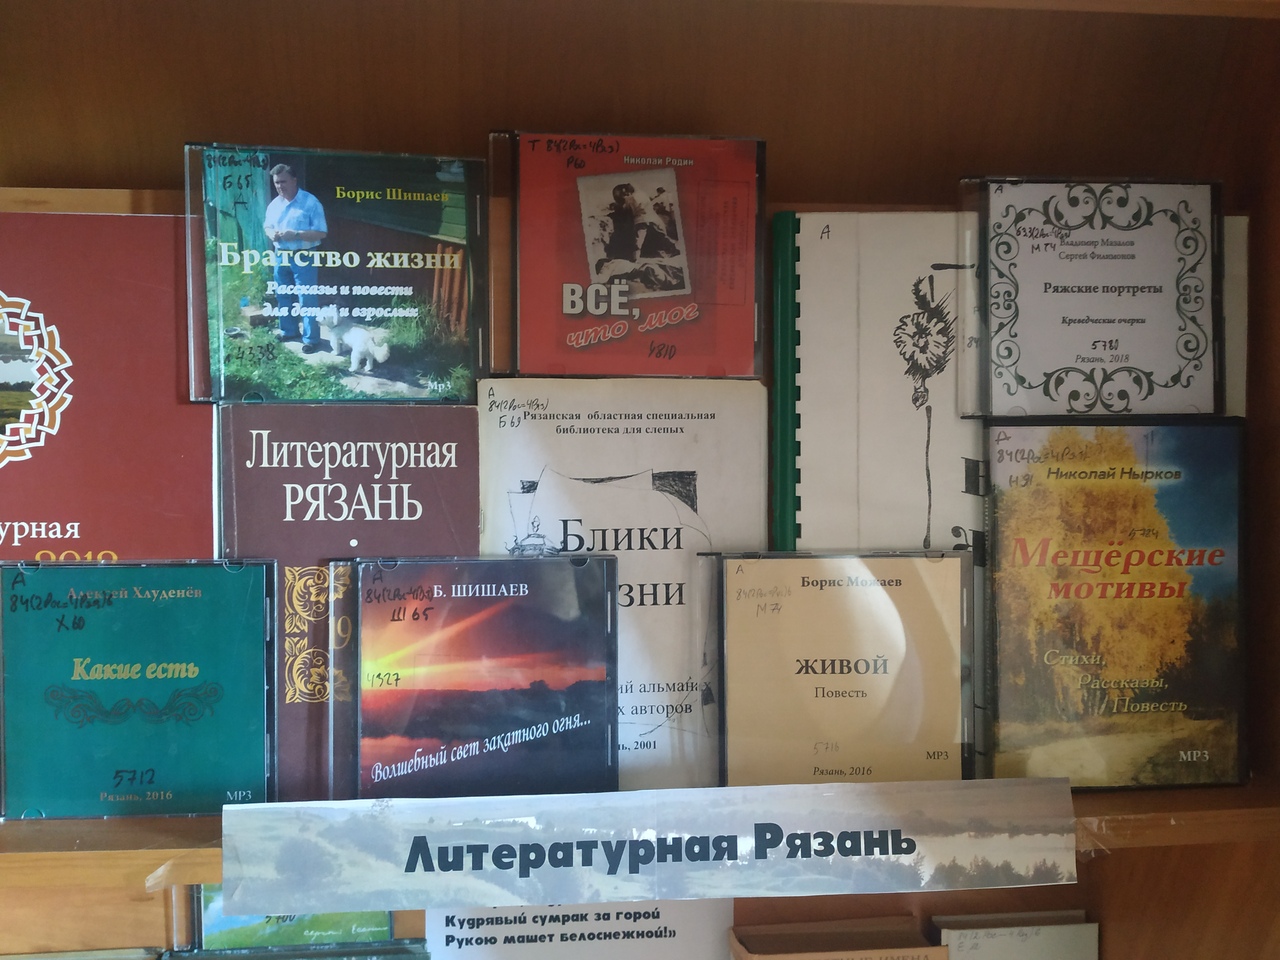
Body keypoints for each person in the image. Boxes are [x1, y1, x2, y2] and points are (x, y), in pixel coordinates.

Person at [263, 163, 328, 353]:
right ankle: (289, 331)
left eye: (283, 182)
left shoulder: (311, 203)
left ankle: (311, 339)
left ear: (294, 180)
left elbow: (321, 232)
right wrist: (271, 234)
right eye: (276, 183)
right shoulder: (274, 204)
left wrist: (297, 234)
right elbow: (267, 226)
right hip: (281, 255)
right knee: (283, 294)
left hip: (304, 255)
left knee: (306, 298)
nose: (279, 186)